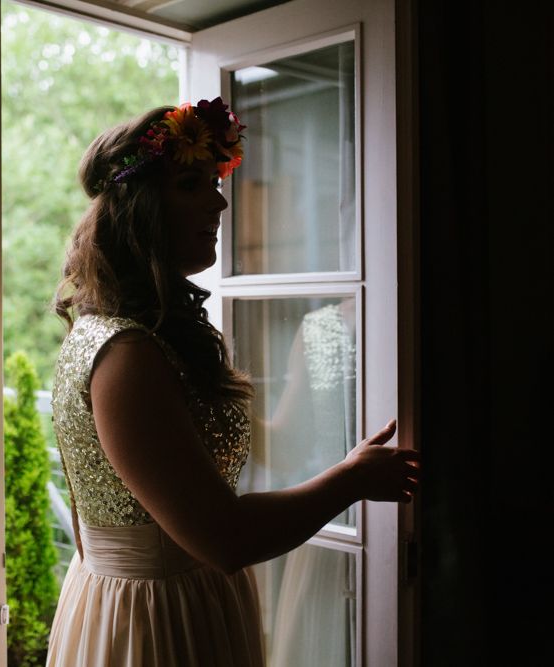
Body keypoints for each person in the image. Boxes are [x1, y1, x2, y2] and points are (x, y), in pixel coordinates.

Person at [45, 98, 421, 666]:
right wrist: (350, 480)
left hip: (175, 596)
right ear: (141, 206)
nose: (219, 201)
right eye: (192, 184)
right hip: (154, 619)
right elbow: (224, 539)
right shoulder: (126, 355)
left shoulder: (138, 336)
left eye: (213, 183)